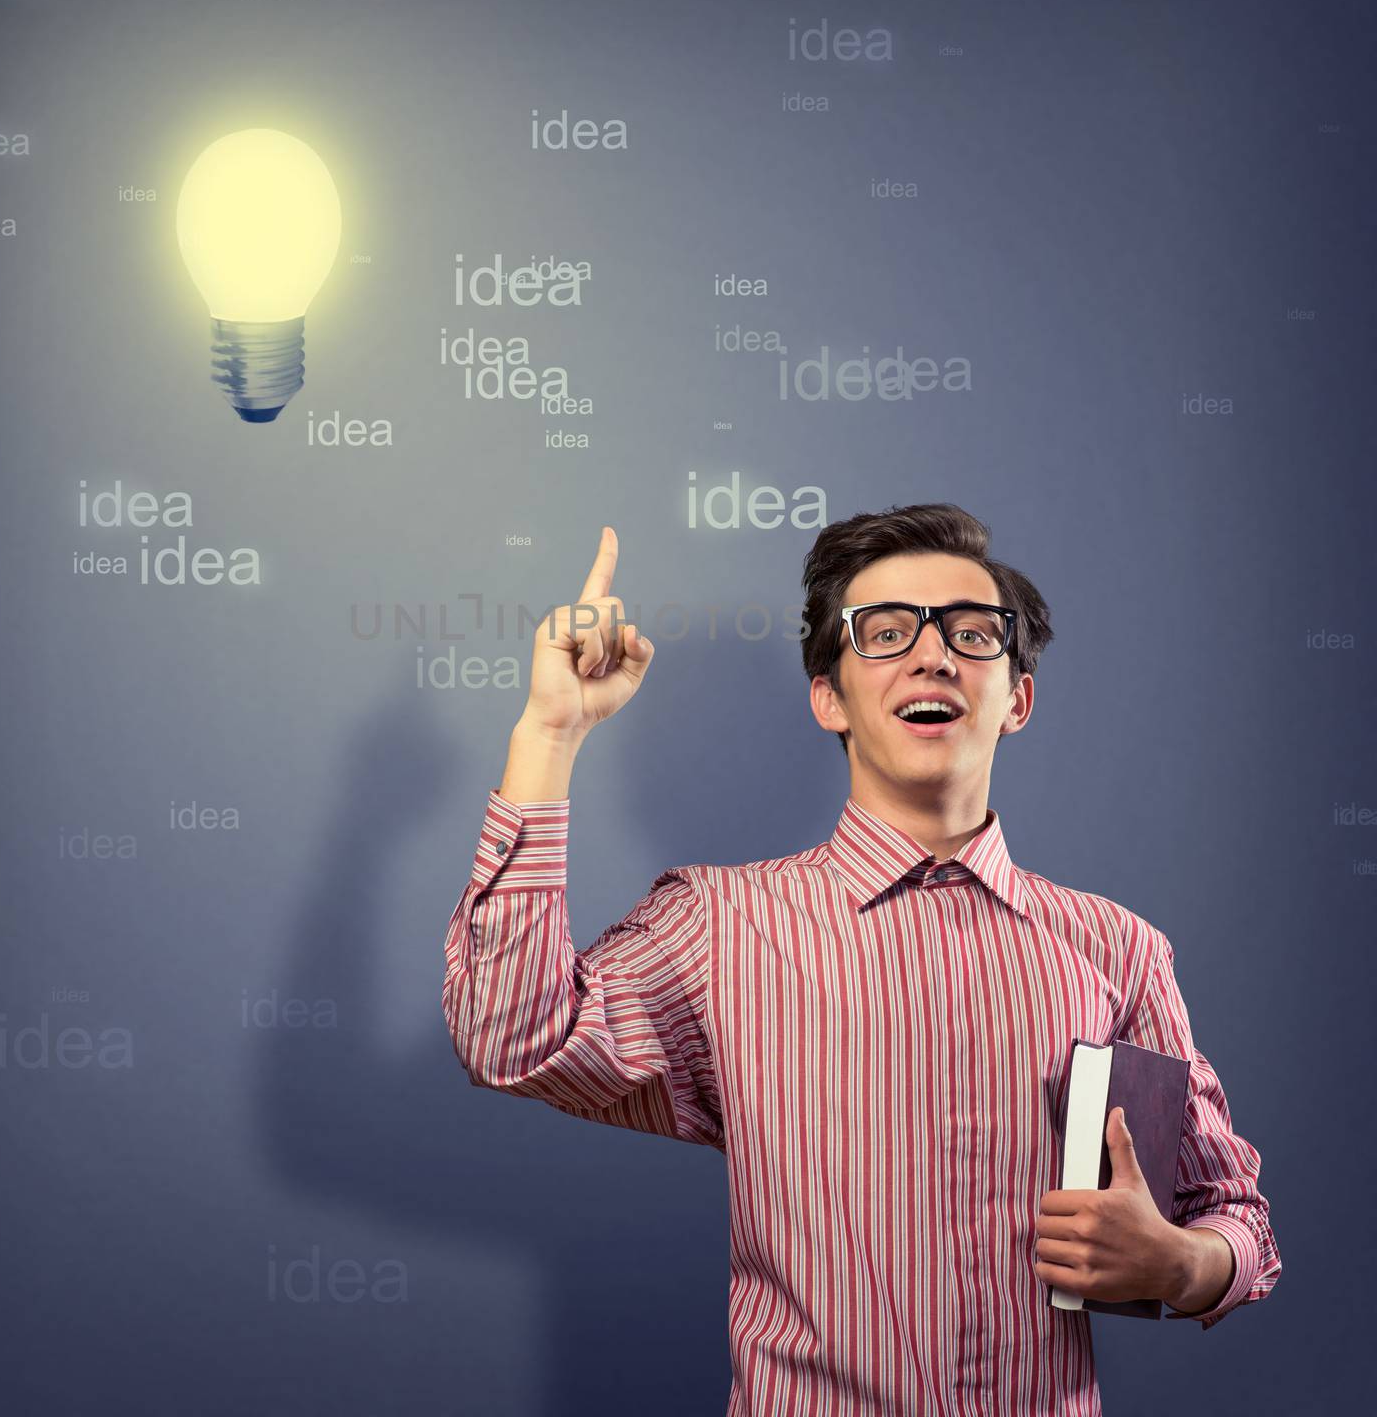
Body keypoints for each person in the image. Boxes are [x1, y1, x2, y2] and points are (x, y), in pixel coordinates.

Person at [441, 503, 1282, 1416]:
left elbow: (1234, 1213)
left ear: (1018, 700)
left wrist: (1184, 1263)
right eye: (886, 633)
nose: (933, 655)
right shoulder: (721, 923)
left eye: (972, 633)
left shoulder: (1116, 949)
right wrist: (549, 737)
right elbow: (509, 1039)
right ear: (829, 696)